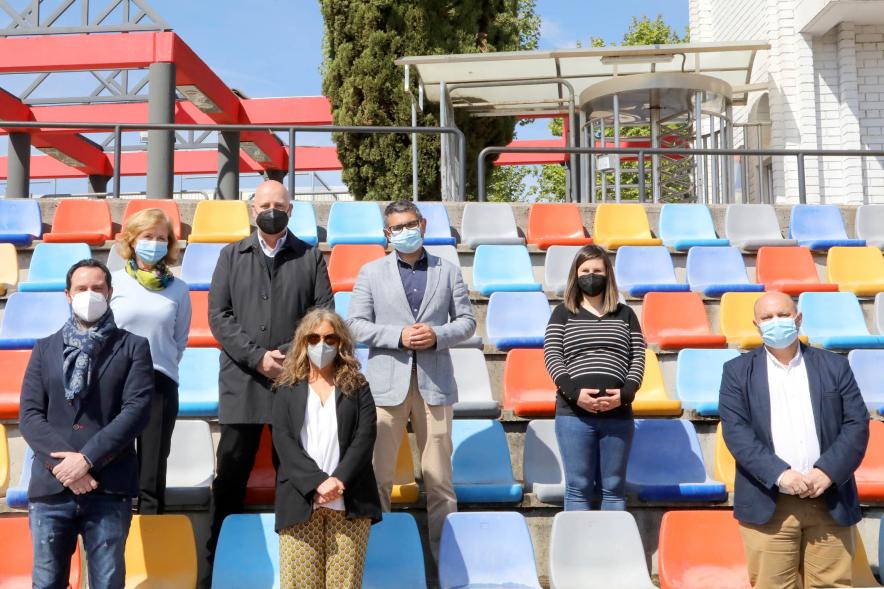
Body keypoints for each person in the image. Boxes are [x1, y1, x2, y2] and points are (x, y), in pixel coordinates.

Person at [205, 180, 333, 575]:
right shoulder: (230, 255)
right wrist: (257, 357)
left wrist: (291, 357)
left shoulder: (310, 257)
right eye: (264, 205)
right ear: (251, 209)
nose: (271, 210)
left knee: (293, 474)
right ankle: (218, 565)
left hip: (294, 382)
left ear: (291, 210)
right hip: (242, 382)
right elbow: (219, 317)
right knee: (231, 472)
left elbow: (323, 314)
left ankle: (295, 566)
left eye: (279, 204)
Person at [347, 200, 475, 553]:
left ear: (423, 223)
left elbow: (466, 321)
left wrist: (437, 335)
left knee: (440, 482)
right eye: (397, 227)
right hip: (385, 387)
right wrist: (397, 336)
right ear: (387, 233)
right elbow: (356, 325)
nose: (405, 232)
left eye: (410, 224)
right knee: (378, 477)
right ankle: (378, 555)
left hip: (435, 386)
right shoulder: (371, 272)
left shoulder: (447, 270)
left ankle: (444, 556)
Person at [719, 290, 869, 589]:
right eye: (767, 317)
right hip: (768, 502)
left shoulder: (835, 366)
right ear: (756, 324)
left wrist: (827, 472)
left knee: (833, 584)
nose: (776, 322)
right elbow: (737, 432)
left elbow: (856, 424)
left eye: (783, 315)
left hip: (829, 499)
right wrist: (779, 474)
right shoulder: (736, 372)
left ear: (798, 319)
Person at [19, 259, 153, 589]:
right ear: (68, 294)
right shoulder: (44, 348)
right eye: (82, 288)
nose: (89, 294)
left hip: (109, 486)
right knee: (47, 581)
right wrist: (65, 466)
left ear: (109, 293)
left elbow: (136, 411)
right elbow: (30, 415)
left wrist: (87, 460)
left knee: (107, 582)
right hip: (52, 488)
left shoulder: (133, 346)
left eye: (97, 288)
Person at [273, 308, 381, 589]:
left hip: (349, 501)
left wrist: (337, 481)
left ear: (341, 342)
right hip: (300, 500)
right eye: (314, 338)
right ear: (303, 342)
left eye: (330, 339)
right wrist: (317, 483)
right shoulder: (287, 387)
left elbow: (365, 437)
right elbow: (283, 441)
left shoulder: (358, 386)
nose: (322, 345)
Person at [543, 244, 645, 511]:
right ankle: (578, 551)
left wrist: (626, 394)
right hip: (573, 414)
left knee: (613, 488)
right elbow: (553, 356)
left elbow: (637, 357)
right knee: (578, 487)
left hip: (618, 413)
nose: (591, 275)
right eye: (585, 270)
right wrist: (575, 394)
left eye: (597, 270)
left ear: (607, 274)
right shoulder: (562, 313)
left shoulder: (626, 314)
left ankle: (614, 552)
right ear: (575, 275)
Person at [110, 208, 191, 514]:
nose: (155, 243)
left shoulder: (179, 289)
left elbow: (178, 340)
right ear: (132, 240)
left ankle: (154, 547)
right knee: (115, 464)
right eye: (148, 236)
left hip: (159, 382)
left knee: (152, 472)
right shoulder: (112, 283)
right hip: (116, 383)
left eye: (161, 237)